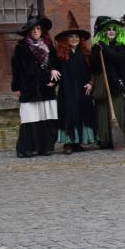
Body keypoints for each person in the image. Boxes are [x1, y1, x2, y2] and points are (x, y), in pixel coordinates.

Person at [11, 8, 60, 157]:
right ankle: (25, 149)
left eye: (38, 28)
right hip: (29, 89)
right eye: (33, 29)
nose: (36, 31)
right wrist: (16, 87)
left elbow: (56, 67)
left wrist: (53, 81)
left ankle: (45, 147)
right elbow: (16, 69)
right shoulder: (21, 48)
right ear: (28, 31)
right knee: (29, 119)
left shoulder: (49, 47)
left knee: (47, 119)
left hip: (46, 88)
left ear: (42, 31)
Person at [91, 16, 125, 149]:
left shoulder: (122, 46)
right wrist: (97, 51)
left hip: (118, 84)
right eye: (108, 29)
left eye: (114, 29)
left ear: (118, 31)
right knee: (103, 111)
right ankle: (105, 138)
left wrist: (105, 47)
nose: (111, 31)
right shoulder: (98, 47)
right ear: (103, 32)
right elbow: (94, 66)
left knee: (120, 111)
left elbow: (117, 58)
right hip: (104, 83)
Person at [54, 12, 96, 154]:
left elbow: (93, 72)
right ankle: (68, 144)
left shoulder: (86, 54)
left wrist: (91, 83)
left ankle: (78, 142)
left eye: (76, 37)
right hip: (67, 91)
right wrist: (53, 70)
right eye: (71, 37)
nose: (74, 39)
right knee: (68, 114)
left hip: (83, 90)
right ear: (66, 39)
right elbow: (52, 67)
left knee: (83, 113)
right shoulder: (59, 55)